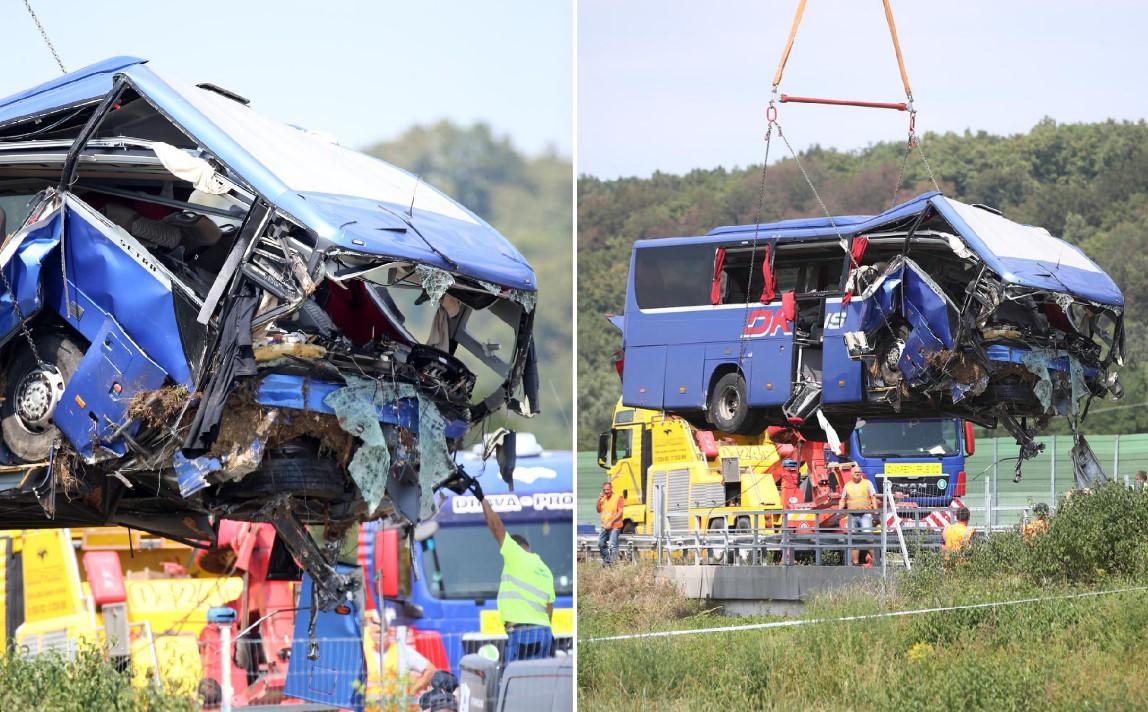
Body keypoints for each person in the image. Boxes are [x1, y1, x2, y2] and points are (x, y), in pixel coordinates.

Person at [461, 472, 555, 664]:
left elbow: (496, 527)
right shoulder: (544, 568)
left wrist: (482, 499)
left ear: (518, 547)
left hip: (523, 634)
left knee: (515, 683)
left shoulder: (515, 554)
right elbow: (549, 608)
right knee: (538, 683)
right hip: (545, 632)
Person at [837, 462, 878, 566]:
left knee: (868, 538)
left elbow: (873, 498)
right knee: (854, 539)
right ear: (851, 474)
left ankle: (876, 562)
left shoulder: (867, 483)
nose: (857, 473)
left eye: (859, 472)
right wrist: (839, 511)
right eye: (855, 472)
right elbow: (842, 500)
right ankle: (855, 563)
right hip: (852, 515)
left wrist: (876, 513)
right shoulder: (847, 486)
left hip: (865, 514)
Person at [596, 481, 624, 564]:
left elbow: (620, 512)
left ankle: (613, 564)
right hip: (604, 526)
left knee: (612, 545)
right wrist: (598, 500)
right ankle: (607, 561)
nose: (606, 491)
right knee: (600, 544)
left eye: (608, 489)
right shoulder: (603, 498)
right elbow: (598, 510)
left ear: (611, 489)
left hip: (615, 526)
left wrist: (611, 522)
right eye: (604, 490)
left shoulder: (618, 497)